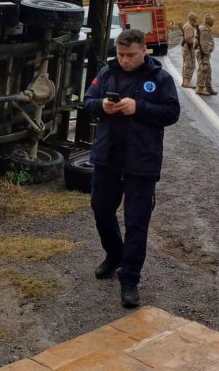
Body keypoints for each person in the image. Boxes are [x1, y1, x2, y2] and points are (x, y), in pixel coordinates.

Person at [83, 29, 180, 308]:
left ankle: (130, 281)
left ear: (144, 51)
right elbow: (87, 102)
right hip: (108, 158)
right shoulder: (108, 72)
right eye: (121, 54)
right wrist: (100, 104)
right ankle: (114, 255)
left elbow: (172, 113)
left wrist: (139, 107)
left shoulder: (160, 79)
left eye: (130, 55)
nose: (124, 60)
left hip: (141, 162)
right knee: (101, 210)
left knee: (137, 222)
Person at [194, 14, 217, 96]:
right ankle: (200, 88)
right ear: (209, 21)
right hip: (203, 53)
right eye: (212, 20)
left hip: (203, 52)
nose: (213, 22)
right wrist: (207, 52)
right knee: (203, 69)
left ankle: (208, 87)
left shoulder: (204, 28)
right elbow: (204, 44)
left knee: (208, 70)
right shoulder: (204, 30)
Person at [180, 11, 197, 88]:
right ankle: (186, 82)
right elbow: (189, 39)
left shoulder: (189, 26)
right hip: (188, 48)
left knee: (189, 65)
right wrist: (196, 42)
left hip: (188, 48)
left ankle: (186, 81)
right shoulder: (188, 26)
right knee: (189, 65)